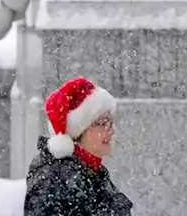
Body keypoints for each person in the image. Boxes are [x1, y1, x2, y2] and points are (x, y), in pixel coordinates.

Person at [25, 76, 134, 216]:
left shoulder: (90, 173)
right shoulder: (58, 181)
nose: (111, 130)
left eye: (111, 122)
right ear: (77, 132)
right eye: (102, 123)